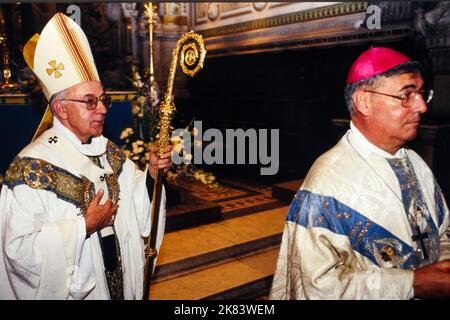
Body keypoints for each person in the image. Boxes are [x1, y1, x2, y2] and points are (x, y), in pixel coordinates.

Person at [0, 13, 172, 299]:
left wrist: (153, 174)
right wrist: (83, 226)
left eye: (103, 99)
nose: (103, 109)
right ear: (61, 109)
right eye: (89, 102)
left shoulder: (110, 153)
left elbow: (139, 208)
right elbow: (18, 253)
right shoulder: (30, 170)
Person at [270, 47, 450, 300]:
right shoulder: (326, 182)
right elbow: (316, 286)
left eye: (421, 94)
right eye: (406, 95)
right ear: (364, 101)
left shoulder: (415, 163)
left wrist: (443, 268)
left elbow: (443, 231)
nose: (421, 106)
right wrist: (412, 284)